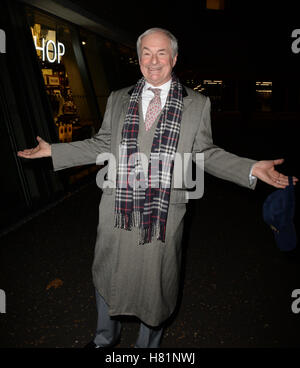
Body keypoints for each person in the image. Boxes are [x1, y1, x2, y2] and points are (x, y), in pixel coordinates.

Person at [18, 28, 298, 348]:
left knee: (156, 286)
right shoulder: (119, 98)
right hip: (118, 210)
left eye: (161, 53)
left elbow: (204, 154)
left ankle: (146, 347)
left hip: (164, 212)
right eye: (146, 54)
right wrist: (54, 151)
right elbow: (103, 143)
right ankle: (104, 338)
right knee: (107, 274)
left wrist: (249, 167)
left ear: (174, 58)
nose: (153, 61)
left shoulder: (196, 104)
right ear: (138, 60)